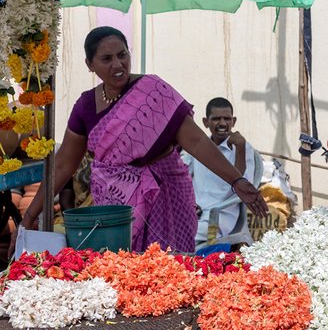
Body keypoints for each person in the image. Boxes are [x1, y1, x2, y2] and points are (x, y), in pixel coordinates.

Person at [9, 27, 268, 256]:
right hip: (115, 206)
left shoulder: (154, 92)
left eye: (123, 54)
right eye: (106, 59)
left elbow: (197, 141)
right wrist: (30, 215)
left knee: (167, 273)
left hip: (165, 195)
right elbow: (64, 163)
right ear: (90, 65)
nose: (118, 64)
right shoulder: (85, 106)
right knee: (118, 271)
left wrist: (237, 180)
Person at [183, 97, 262, 245]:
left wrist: (240, 149)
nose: (222, 123)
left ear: (234, 121)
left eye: (227, 118)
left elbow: (243, 186)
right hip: (193, 211)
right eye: (216, 119)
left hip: (221, 216)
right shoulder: (199, 147)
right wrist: (189, 202)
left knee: (186, 234)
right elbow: (182, 177)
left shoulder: (243, 148)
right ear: (206, 122)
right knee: (166, 228)